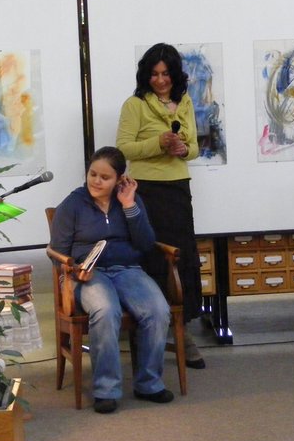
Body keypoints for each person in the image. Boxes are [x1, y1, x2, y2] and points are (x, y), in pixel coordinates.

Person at [50, 146, 174, 414]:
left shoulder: (129, 200)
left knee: (158, 310)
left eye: (105, 177)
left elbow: (145, 243)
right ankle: (106, 390)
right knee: (106, 310)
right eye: (92, 174)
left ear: (119, 179)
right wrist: (74, 268)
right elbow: (56, 252)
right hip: (86, 274)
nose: (96, 181)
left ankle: (149, 384)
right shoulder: (72, 204)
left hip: (127, 269)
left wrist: (129, 205)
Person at [116, 42, 206, 369]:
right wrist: (159, 143)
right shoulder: (135, 104)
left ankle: (183, 331)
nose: (160, 80)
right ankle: (150, 328)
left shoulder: (185, 101)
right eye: (154, 74)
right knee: (152, 258)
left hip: (178, 189)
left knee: (181, 259)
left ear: (175, 74)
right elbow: (123, 149)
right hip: (146, 190)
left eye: (166, 73)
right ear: (146, 75)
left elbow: (194, 147)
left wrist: (183, 150)